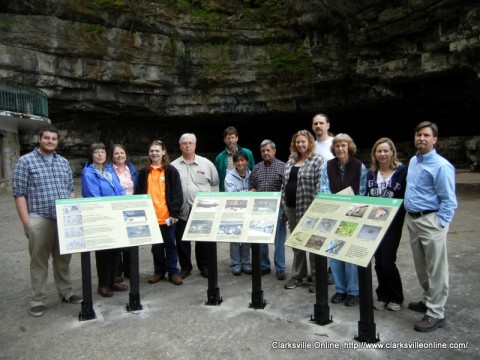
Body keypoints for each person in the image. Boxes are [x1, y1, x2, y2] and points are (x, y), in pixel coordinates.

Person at [12, 125, 82, 317]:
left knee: (63, 260)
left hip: (63, 218)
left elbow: (70, 189)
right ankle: (38, 299)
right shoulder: (25, 162)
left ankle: (66, 292)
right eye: (47, 138)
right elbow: (19, 193)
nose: (50, 141)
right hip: (39, 218)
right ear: (39, 139)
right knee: (39, 262)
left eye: (53, 139)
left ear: (57, 141)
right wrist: (27, 223)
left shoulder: (63, 162)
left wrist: (71, 215)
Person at [404, 121, 457, 332]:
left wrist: (440, 223)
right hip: (413, 220)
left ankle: (436, 313)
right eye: (418, 135)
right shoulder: (413, 161)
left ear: (434, 140)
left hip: (430, 221)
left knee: (437, 269)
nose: (421, 139)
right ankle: (428, 300)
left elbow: (449, 200)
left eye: (426, 135)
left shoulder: (441, 166)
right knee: (421, 266)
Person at [320, 133, 367, 306]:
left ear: (349, 147)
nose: (340, 148)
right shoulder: (327, 166)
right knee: (335, 254)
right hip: (334, 216)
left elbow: (362, 193)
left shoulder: (359, 166)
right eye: (337, 145)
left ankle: (353, 291)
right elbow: (324, 190)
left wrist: (349, 212)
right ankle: (340, 289)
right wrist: (335, 210)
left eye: (343, 145)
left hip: (352, 217)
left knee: (350, 255)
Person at [82, 142, 129, 297]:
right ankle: (103, 284)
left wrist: (121, 205)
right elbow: (94, 196)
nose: (100, 155)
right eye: (96, 152)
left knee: (116, 250)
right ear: (91, 155)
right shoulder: (89, 173)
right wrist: (110, 210)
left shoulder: (109, 171)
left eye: (103, 152)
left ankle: (113, 280)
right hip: (102, 216)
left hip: (115, 215)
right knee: (104, 251)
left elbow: (120, 189)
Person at [367, 138, 407, 311]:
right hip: (374, 223)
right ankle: (382, 295)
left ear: (392, 152)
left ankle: (396, 297)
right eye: (379, 151)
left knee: (388, 261)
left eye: (385, 151)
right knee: (378, 262)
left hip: (392, 224)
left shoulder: (402, 172)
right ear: (374, 154)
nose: (382, 154)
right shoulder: (371, 174)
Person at [171, 133, 219, 279]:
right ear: (180, 146)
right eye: (184, 143)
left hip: (202, 210)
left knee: (202, 240)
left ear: (195, 145)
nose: (187, 145)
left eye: (190, 143)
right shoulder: (173, 166)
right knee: (182, 241)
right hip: (182, 210)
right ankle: (185, 267)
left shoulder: (207, 164)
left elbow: (215, 184)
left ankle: (203, 266)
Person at [136, 140, 184, 286]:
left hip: (167, 216)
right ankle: (158, 271)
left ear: (163, 152)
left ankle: (173, 272)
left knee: (171, 245)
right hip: (151, 217)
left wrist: (174, 213)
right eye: (152, 151)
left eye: (157, 151)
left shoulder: (171, 170)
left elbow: (177, 193)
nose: (154, 153)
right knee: (156, 247)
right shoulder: (144, 172)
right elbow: (139, 193)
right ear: (149, 153)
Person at [282, 130, 324, 291]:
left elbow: (319, 185)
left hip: (309, 209)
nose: (300, 144)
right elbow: (284, 184)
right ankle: (298, 275)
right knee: (297, 243)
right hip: (291, 208)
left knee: (313, 244)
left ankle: (316, 278)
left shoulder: (317, 160)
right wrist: (283, 202)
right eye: (298, 142)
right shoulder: (291, 160)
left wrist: (315, 209)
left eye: (303, 142)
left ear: (310, 142)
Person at [249, 139, 287, 280]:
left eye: (268, 150)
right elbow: (251, 186)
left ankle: (280, 268)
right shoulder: (256, 168)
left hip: (278, 210)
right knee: (261, 240)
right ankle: (264, 266)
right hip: (260, 210)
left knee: (279, 241)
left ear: (274, 151)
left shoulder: (283, 167)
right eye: (263, 151)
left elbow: (286, 189)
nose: (265, 153)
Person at [105, 144, 138, 280]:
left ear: (126, 154)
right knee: (118, 241)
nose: (119, 156)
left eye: (122, 153)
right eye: (116, 153)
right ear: (112, 156)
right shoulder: (108, 171)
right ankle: (117, 272)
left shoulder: (132, 169)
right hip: (117, 208)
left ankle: (130, 270)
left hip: (132, 208)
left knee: (131, 240)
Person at [312, 113, 335, 286]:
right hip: (315, 196)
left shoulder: (336, 144)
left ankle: (333, 271)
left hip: (334, 195)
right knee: (318, 236)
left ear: (328, 125)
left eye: (321, 123)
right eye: (315, 124)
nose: (318, 126)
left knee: (334, 236)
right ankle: (320, 271)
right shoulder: (310, 146)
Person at [225, 150, 252, 275]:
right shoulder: (229, 176)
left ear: (247, 161)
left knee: (246, 238)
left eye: (242, 160)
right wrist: (248, 194)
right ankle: (236, 263)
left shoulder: (251, 174)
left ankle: (246, 262)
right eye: (237, 161)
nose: (240, 163)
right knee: (235, 238)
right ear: (234, 163)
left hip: (248, 211)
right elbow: (232, 196)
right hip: (234, 210)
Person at [215, 126, 255, 192]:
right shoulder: (219, 157)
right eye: (228, 138)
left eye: (232, 137)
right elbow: (218, 177)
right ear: (224, 140)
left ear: (237, 138)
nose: (230, 140)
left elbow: (253, 171)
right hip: (227, 191)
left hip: (246, 190)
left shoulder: (247, 153)